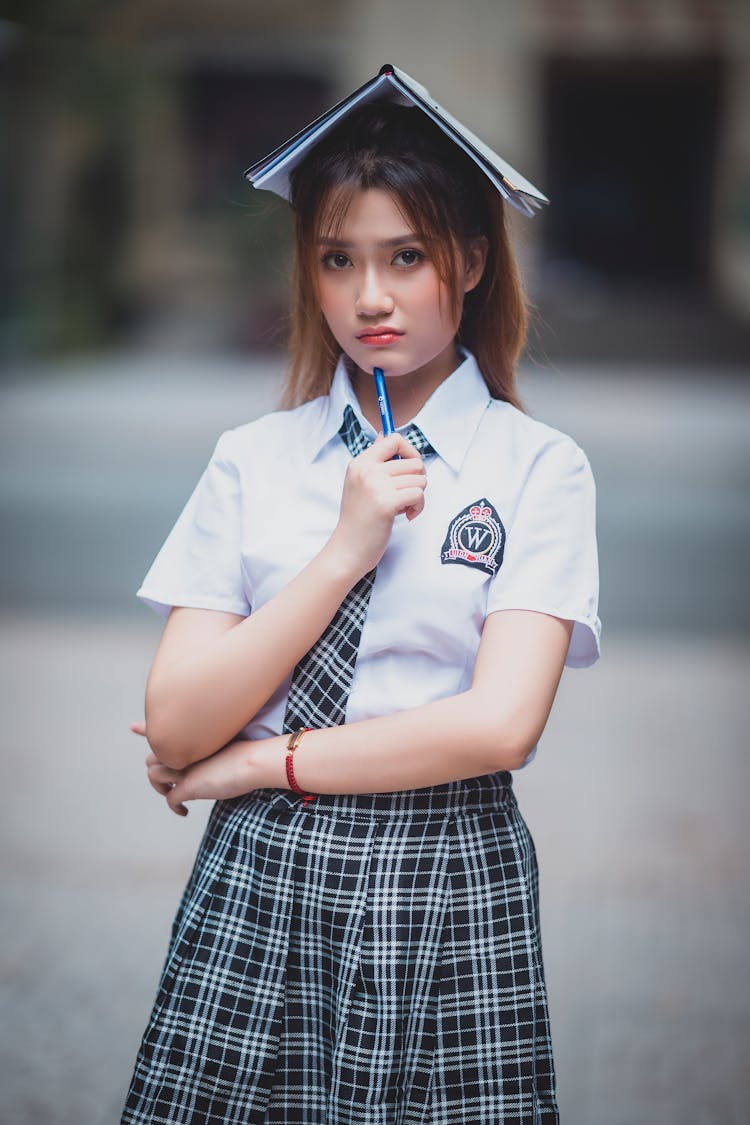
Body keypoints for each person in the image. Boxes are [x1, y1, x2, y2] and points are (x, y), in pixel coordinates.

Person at [122, 68, 600, 1125]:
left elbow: (500, 726)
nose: (368, 297)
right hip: (257, 875)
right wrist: (343, 550)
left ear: (471, 261)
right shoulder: (254, 460)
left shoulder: (538, 468)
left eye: (406, 258)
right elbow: (176, 720)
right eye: (338, 259)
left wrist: (261, 760)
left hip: (442, 875)